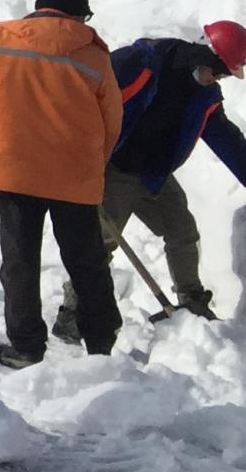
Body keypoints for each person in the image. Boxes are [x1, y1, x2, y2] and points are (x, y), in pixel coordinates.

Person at [0, 0, 123, 368]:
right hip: (74, 177)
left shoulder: (0, 39)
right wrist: (94, 164)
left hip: (15, 171)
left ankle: (26, 347)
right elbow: (112, 120)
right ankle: (100, 346)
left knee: (20, 259)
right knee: (86, 261)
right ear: (79, 15)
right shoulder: (95, 55)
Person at [55, 21, 246, 337]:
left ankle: (192, 302)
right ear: (205, 55)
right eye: (220, 70)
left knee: (183, 230)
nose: (219, 78)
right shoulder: (144, 62)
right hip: (115, 169)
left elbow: (229, 141)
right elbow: (86, 94)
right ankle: (73, 315)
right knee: (99, 245)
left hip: (155, 176)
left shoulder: (205, 95)